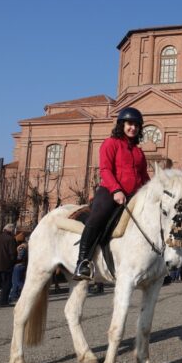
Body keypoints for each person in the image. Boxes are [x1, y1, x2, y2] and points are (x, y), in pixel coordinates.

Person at [73, 107, 149, 280]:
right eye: (130, 124)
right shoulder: (110, 143)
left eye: (137, 125)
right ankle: (82, 261)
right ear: (122, 124)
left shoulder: (139, 152)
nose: (133, 128)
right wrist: (116, 190)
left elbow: (144, 176)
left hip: (133, 195)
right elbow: (105, 169)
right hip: (110, 190)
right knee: (98, 216)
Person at [9, 232, 28, 302]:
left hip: (19, 265)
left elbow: (20, 257)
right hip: (22, 265)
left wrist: (12, 258)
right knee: (16, 281)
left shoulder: (21, 247)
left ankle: (26, 293)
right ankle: (14, 295)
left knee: (17, 281)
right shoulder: (26, 246)